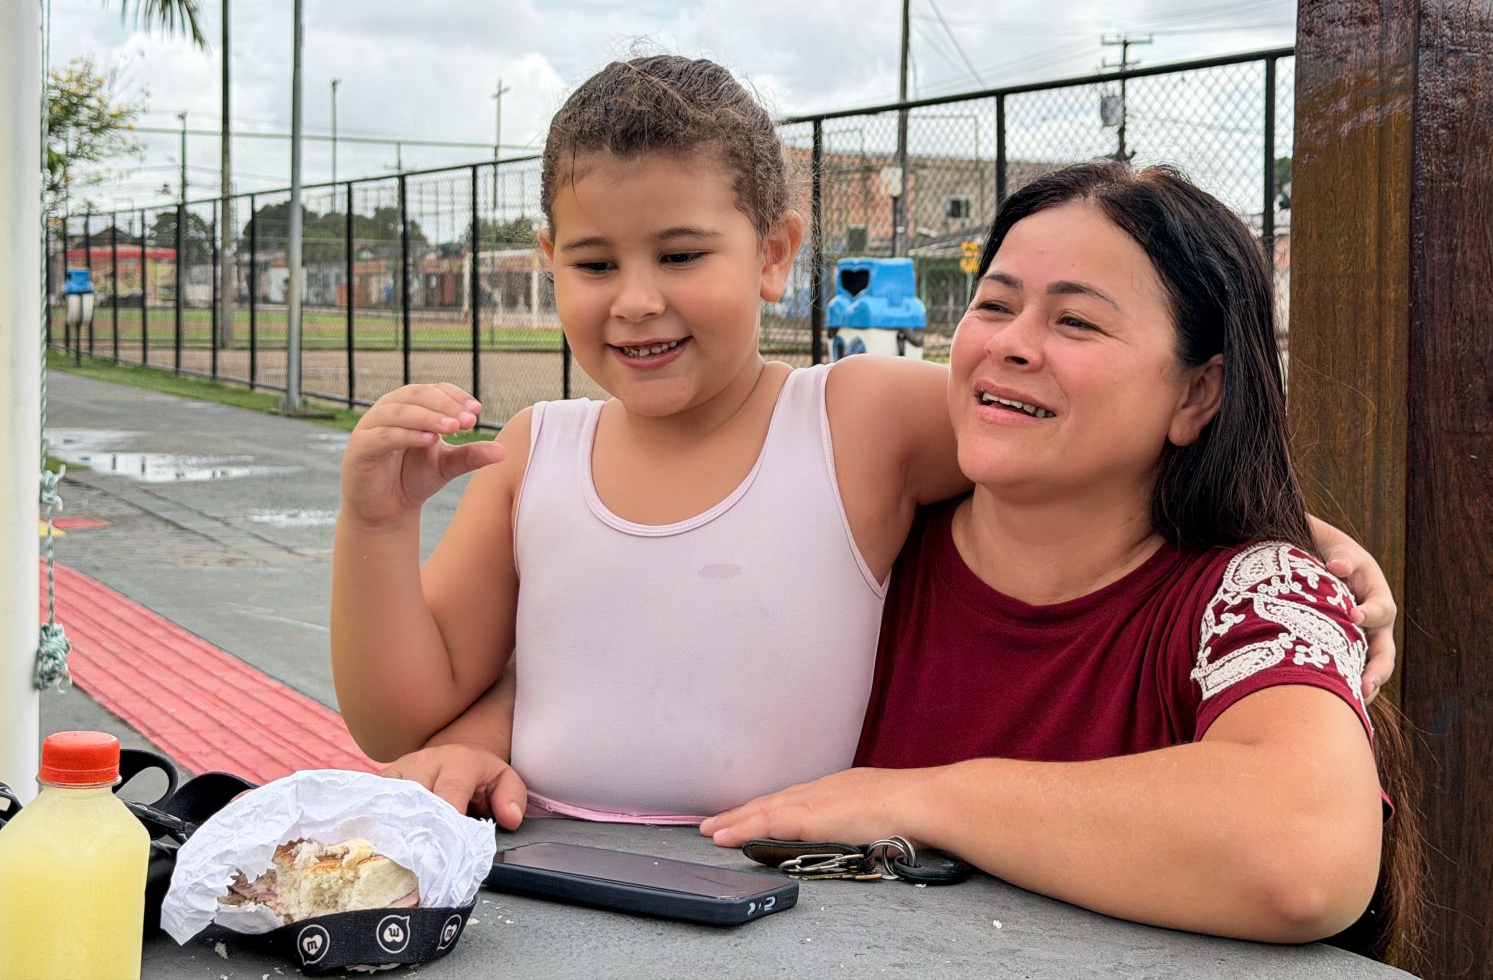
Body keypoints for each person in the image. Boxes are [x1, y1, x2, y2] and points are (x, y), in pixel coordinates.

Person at [335, 55, 1394, 826]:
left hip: (781, 890)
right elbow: (406, 716)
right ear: (549, 259)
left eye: (681, 253)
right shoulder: (534, 450)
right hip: (559, 873)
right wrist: (376, 525)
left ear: (774, 254)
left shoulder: (859, 419)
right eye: (596, 265)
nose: (637, 303)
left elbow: (1086, 444)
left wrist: (1303, 542)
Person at [699, 162, 1421, 967]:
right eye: (995, 305)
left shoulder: (1258, 594)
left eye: (1075, 322)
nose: (1009, 343)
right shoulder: (859, 538)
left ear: (1198, 394)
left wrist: (919, 797)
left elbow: (1305, 854)